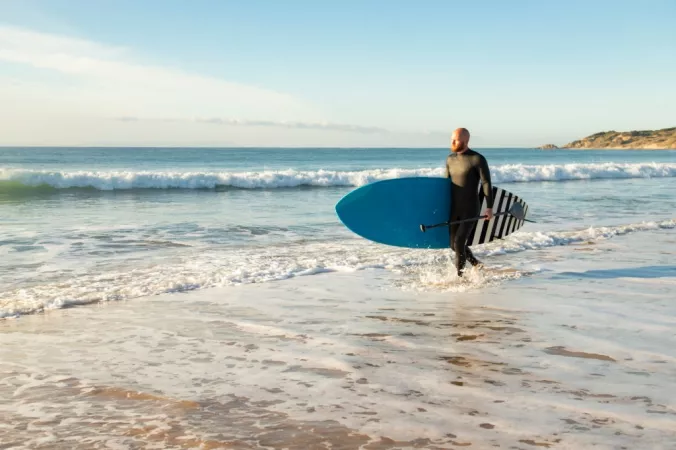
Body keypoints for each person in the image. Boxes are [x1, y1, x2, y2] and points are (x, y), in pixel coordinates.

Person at [443, 128, 494, 276]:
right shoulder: (450, 159)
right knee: (453, 245)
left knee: (459, 243)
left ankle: (460, 278)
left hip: (470, 208)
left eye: (456, 140)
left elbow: (486, 183)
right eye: (452, 139)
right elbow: (445, 185)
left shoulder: (477, 159)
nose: (452, 142)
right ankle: (476, 263)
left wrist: (489, 207)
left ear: (466, 140)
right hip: (454, 208)